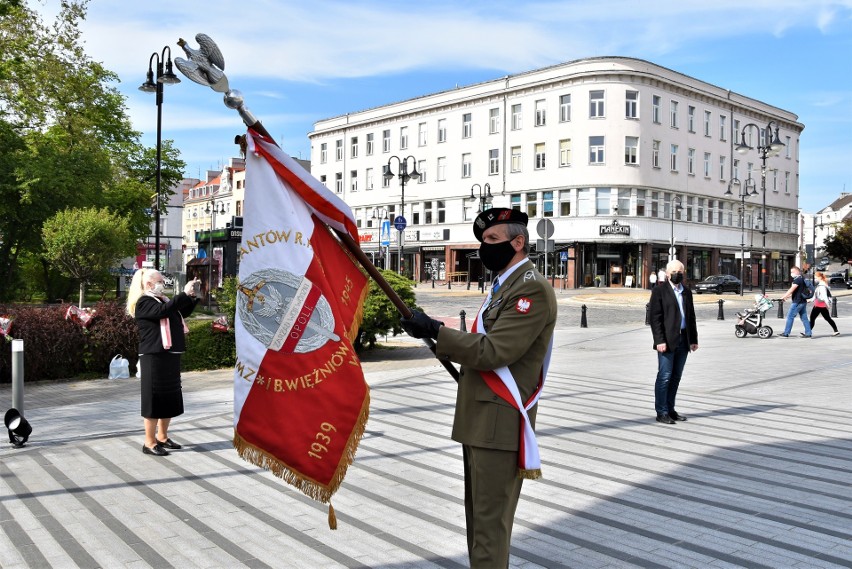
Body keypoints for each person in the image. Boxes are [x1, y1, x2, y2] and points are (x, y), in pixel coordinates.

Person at [400, 208, 557, 568]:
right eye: (482, 240)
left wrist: (437, 332)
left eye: (492, 240)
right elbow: (480, 347)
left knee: (489, 531)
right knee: (478, 525)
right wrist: (430, 332)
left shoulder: (531, 288)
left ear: (518, 243)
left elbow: (495, 351)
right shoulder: (505, 285)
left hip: (498, 424)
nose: (484, 247)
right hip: (481, 420)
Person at [126, 269, 200, 456]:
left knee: (169, 396)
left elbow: (180, 312)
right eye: (160, 280)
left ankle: (162, 437)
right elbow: (163, 312)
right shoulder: (144, 302)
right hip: (154, 356)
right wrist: (182, 293)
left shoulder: (163, 300)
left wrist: (191, 296)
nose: (163, 282)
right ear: (148, 284)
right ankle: (149, 443)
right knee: (154, 399)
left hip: (169, 354)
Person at [648, 260, 698, 425]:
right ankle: (661, 411)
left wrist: (693, 340)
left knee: (676, 377)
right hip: (667, 341)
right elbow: (655, 319)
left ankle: (670, 409)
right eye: (675, 271)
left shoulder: (687, 292)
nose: (679, 274)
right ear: (668, 274)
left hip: (684, 339)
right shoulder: (659, 291)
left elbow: (691, 317)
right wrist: (659, 340)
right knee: (665, 376)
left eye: (681, 271)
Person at [779, 266, 812, 338]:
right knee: (804, 318)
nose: (791, 273)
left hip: (797, 302)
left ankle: (786, 333)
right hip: (802, 301)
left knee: (790, 316)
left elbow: (791, 290)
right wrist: (787, 297)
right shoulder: (802, 279)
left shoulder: (797, 280)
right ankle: (808, 333)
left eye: (792, 272)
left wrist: (783, 297)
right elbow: (797, 292)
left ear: (797, 272)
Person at [809, 271, 839, 336]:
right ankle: (836, 330)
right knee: (827, 318)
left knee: (812, 318)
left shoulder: (822, 286)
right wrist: (810, 300)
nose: (815, 278)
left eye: (816, 277)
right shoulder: (822, 284)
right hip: (821, 305)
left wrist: (828, 305)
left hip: (819, 304)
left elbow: (824, 296)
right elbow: (816, 295)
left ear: (820, 277)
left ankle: (808, 332)